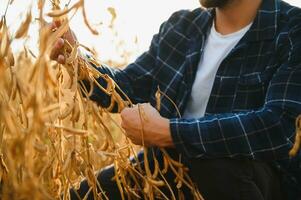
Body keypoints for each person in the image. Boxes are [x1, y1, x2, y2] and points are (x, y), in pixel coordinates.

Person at [51, 0, 301, 199]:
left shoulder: (292, 29)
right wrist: (79, 62)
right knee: (81, 196)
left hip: (254, 182)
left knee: (216, 162)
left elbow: (280, 127)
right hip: (168, 171)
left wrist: (169, 133)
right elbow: (128, 88)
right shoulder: (181, 27)